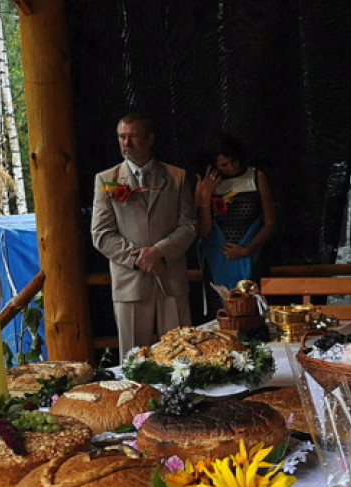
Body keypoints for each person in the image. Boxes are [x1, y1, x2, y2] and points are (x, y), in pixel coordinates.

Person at [91, 113, 196, 356]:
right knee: (133, 358)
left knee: (182, 354)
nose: (126, 144)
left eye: (133, 137)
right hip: (130, 279)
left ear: (149, 139)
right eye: (121, 137)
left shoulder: (176, 176)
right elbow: (101, 234)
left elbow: (189, 225)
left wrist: (160, 252)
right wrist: (139, 259)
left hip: (171, 277)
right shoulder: (107, 180)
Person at [193, 132, 276, 317]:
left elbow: (270, 223)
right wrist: (205, 199)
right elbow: (203, 231)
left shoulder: (255, 176)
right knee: (223, 316)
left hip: (252, 259)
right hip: (218, 262)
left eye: (233, 161)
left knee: (253, 314)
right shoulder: (205, 184)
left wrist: (247, 249)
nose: (231, 167)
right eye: (224, 165)